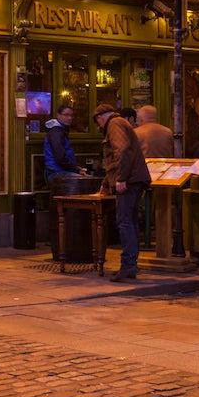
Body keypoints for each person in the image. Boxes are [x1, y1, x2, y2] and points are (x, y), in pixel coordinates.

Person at [96, 103, 151, 282]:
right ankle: (131, 265)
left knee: (124, 221)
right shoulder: (121, 122)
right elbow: (115, 158)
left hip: (129, 180)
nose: (99, 126)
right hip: (135, 178)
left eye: (98, 121)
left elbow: (121, 150)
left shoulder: (114, 124)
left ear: (101, 118)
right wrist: (106, 183)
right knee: (131, 221)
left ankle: (127, 265)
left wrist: (121, 178)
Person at [42, 106, 84, 179]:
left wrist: (75, 168)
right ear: (58, 115)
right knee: (87, 182)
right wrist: (75, 170)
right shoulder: (56, 133)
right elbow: (60, 158)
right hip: (57, 172)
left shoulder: (61, 131)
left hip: (60, 171)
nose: (69, 118)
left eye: (71, 115)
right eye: (66, 115)